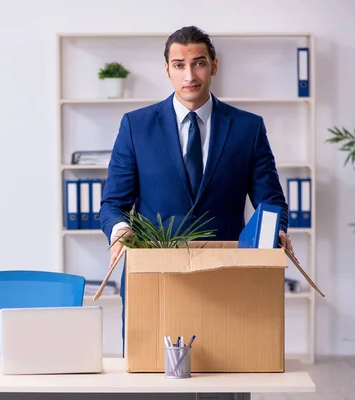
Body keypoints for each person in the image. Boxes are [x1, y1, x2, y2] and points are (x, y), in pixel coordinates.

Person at [99, 25, 292, 345]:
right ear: (167, 70)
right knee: (151, 382)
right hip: (154, 274)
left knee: (228, 380)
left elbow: (271, 201)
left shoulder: (248, 128)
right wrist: (119, 229)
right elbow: (113, 204)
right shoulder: (136, 125)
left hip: (227, 275)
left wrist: (277, 229)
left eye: (199, 63)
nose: (190, 74)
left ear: (214, 65)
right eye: (179, 65)